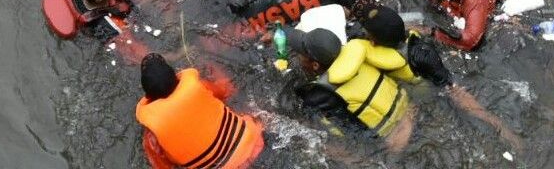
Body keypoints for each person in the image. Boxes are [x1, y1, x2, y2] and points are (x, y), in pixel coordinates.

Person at [351, 4, 523, 150]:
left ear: (374, 40)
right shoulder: (369, 46)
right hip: (396, 88)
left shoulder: (421, 55)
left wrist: (495, 123)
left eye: (368, 34)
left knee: (394, 145)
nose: (365, 36)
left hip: (420, 98)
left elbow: (452, 89)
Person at [290, 28, 416, 152]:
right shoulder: (359, 54)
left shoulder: (320, 94)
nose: (298, 58)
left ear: (315, 65)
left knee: (321, 146)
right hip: (410, 114)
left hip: (392, 143)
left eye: (301, 55)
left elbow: (344, 135)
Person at [135, 53, 265, 169]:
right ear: (176, 77)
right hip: (255, 142)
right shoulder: (199, 86)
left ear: (147, 95)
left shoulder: (151, 136)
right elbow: (227, 91)